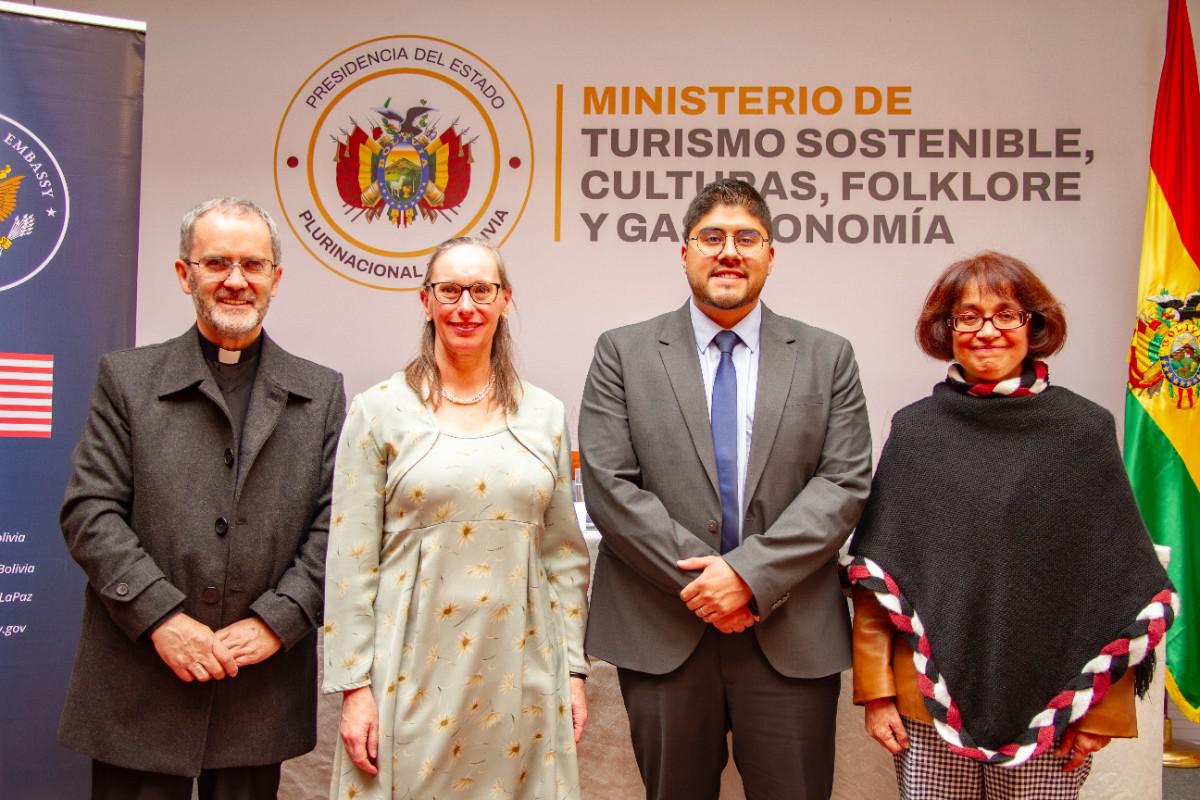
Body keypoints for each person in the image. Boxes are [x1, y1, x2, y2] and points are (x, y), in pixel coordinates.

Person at [579, 179, 872, 800]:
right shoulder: (623, 353)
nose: (729, 252)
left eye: (747, 238)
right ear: (684, 252)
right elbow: (610, 487)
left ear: (771, 253)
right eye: (711, 237)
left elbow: (843, 482)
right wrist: (703, 583)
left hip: (789, 630)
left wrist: (747, 578)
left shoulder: (828, 356)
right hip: (663, 629)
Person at [845, 251, 1176, 799]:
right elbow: (878, 577)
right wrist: (878, 694)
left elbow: (1116, 582)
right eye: (968, 316)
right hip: (931, 705)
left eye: (1005, 314)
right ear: (945, 329)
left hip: (1053, 697)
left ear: (1034, 324)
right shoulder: (916, 431)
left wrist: (1102, 711)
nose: (987, 331)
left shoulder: (1083, 431)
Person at [58, 197, 347, 799]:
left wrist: (279, 620)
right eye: (216, 263)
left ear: (276, 277)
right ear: (184, 273)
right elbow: (90, 511)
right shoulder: (126, 378)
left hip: (257, 682)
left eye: (253, 265)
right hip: (141, 678)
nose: (236, 281)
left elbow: (336, 524)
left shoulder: (320, 393)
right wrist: (161, 617)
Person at [323, 237, 590, 800]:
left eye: (481, 290)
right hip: (408, 675)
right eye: (450, 290)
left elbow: (564, 556)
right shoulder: (378, 412)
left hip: (523, 675)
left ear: (504, 299)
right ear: (426, 301)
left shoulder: (544, 416)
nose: (465, 306)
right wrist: (354, 688)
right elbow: (350, 563)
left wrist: (573, 673)